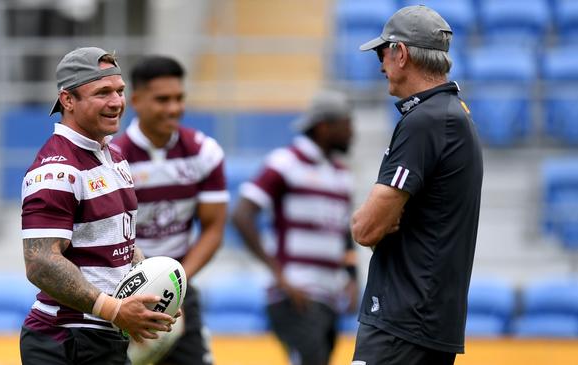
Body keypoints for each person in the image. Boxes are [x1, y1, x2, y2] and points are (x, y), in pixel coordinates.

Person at [19, 47, 175, 364]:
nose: (117, 102)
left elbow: (122, 246)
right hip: (67, 339)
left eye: (119, 91)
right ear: (68, 100)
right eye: (103, 92)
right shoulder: (56, 170)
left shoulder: (114, 158)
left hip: (103, 336)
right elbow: (40, 263)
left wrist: (155, 297)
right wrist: (115, 309)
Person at [349, 5, 484, 365]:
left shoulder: (425, 120)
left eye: (382, 52)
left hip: (400, 322)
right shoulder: (454, 115)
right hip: (427, 323)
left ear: (401, 53)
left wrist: (374, 219)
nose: (380, 64)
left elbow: (366, 227)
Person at [112, 55, 228, 365]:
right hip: (122, 291)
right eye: (162, 99)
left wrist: (174, 283)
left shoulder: (205, 152)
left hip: (180, 285)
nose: (174, 108)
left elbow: (214, 229)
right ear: (135, 100)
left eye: (179, 98)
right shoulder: (111, 158)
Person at [231, 90, 359, 365]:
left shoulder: (341, 174)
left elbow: (343, 234)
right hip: (295, 295)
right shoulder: (285, 162)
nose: (352, 133)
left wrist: (352, 277)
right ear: (325, 126)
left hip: (328, 298)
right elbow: (242, 214)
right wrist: (280, 276)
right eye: (346, 124)